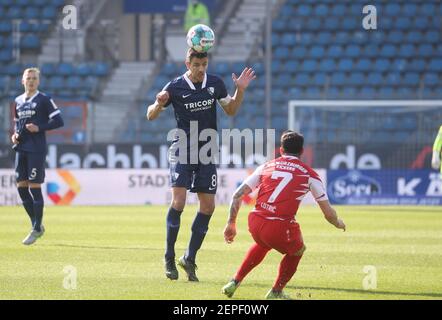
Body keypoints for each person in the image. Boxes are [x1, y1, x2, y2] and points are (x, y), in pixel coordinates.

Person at [146, 48, 255, 281]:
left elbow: (231, 109)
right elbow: (150, 115)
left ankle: (189, 258)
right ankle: (168, 257)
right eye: (197, 65)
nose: (201, 69)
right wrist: (157, 104)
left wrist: (240, 90)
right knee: (179, 201)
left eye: (204, 64)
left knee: (208, 207)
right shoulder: (174, 86)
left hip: (206, 149)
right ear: (188, 64)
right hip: (182, 147)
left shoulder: (215, 83)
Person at [221, 130, 346, 299]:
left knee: (264, 243)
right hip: (279, 225)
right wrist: (338, 222)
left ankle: (234, 282)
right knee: (298, 250)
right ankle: (276, 291)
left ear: (281, 150)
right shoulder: (310, 174)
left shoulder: (266, 166)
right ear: (302, 152)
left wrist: (231, 223)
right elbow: (328, 214)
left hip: (256, 221)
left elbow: (237, 195)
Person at [12, 68, 64, 245]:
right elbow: (17, 124)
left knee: (34, 187)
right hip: (21, 148)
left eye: (34, 78)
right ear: (22, 80)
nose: (31, 81)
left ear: (38, 82)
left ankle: (35, 228)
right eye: (28, 78)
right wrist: (15, 135)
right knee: (21, 187)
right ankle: (37, 224)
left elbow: (59, 121)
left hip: (36, 149)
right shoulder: (18, 101)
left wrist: (39, 127)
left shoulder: (44, 99)